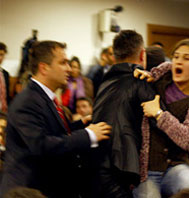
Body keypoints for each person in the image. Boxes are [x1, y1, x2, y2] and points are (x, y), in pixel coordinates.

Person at [0, 41, 111, 198]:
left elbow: (52, 131)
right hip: (28, 190)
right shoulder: (27, 101)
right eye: (63, 62)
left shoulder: (43, 96)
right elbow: (41, 145)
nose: (69, 68)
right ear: (44, 68)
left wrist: (80, 124)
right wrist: (88, 135)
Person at [133, 39, 189, 197]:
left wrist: (159, 114)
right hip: (147, 169)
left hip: (177, 167)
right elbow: (153, 72)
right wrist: (145, 75)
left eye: (186, 58)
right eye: (176, 57)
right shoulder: (158, 79)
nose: (179, 61)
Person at [92, 30, 156, 198]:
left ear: (114, 56)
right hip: (121, 167)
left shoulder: (104, 83)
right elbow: (158, 121)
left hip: (96, 163)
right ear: (143, 54)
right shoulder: (140, 80)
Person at [0, 42, 10, 113]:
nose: (0, 58)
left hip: (4, 112)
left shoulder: (5, 74)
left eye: (2, 55)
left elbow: (6, 95)